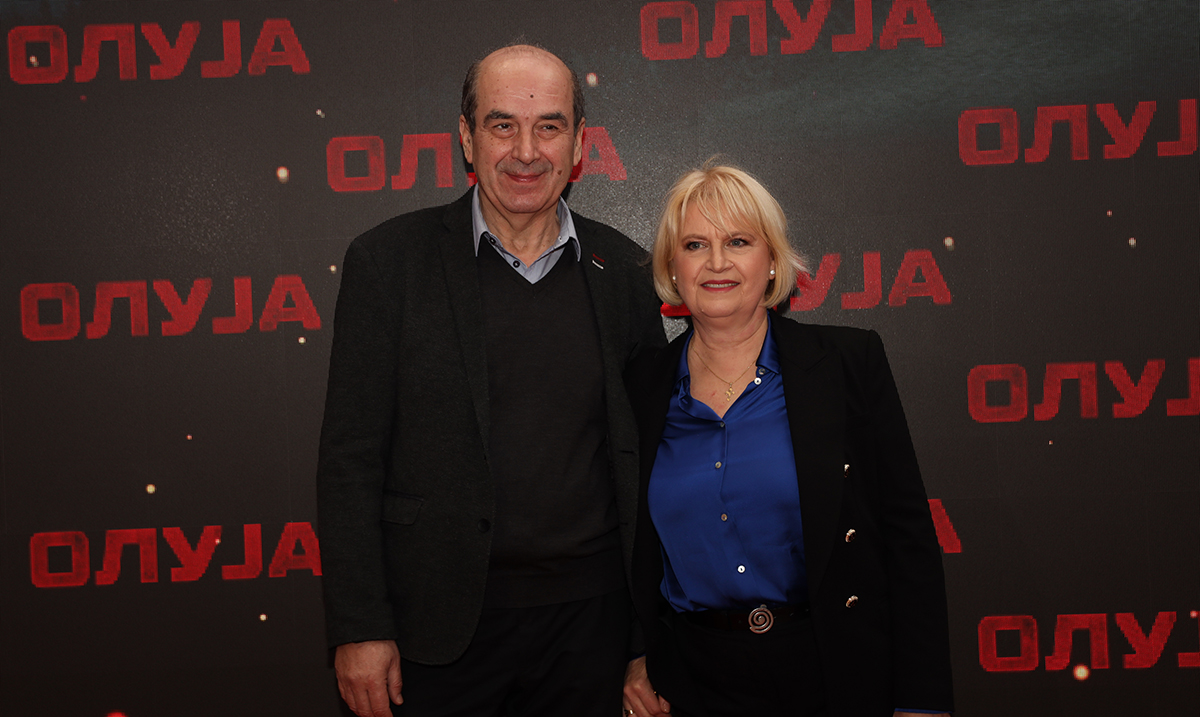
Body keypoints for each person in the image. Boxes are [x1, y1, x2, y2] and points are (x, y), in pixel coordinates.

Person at [316, 44, 665, 717]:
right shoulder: (388, 264)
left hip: (589, 632)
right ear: (466, 137)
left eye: (549, 126)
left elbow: (647, 468)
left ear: (579, 144)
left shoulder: (625, 273)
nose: (526, 151)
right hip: (435, 634)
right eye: (503, 125)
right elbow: (349, 461)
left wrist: (641, 642)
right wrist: (359, 625)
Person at [621, 163, 954, 717]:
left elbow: (908, 538)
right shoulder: (641, 387)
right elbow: (622, 548)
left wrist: (922, 702)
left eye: (739, 242)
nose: (717, 262)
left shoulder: (848, 364)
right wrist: (634, 655)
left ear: (772, 259)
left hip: (833, 671)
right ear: (673, 269)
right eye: (696, 245)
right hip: (692, 682)